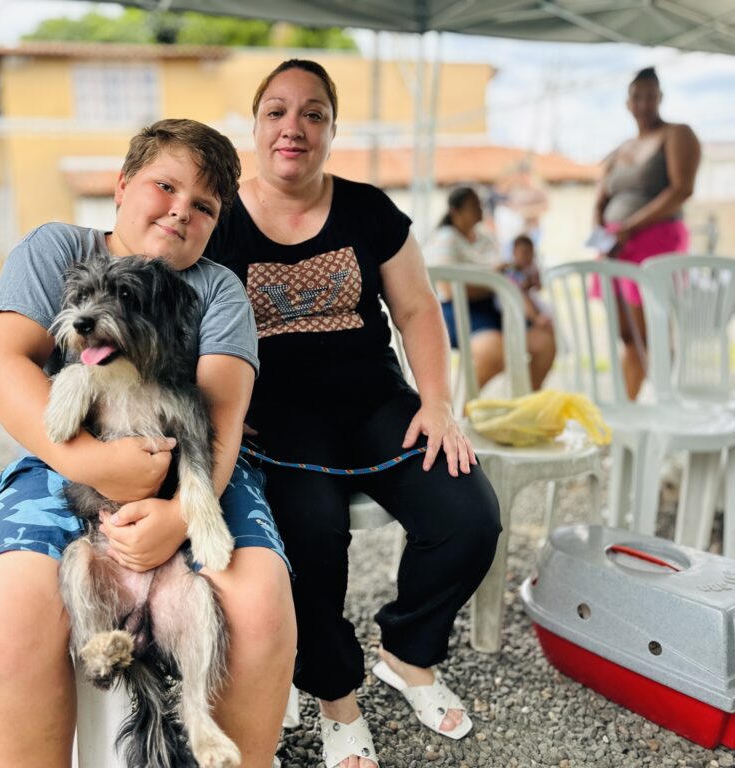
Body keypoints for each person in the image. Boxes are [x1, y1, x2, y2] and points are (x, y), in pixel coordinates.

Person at [0, 119, 296, 768]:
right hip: (59, 463)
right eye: (164, 185)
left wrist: (179, 516)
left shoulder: (216, 289)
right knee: (10, 601)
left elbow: (220, 414)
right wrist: (91, 461)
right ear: (121, 185)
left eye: (202, 206)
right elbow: (1, 363)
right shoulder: (58, 248)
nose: (180, 210)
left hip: (197, 471)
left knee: (258, 600)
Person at [204, 59, 501, 768]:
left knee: (469, 519)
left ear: (333, 129)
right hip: (274, 419)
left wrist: (437, 403)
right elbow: (187, 325)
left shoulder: (369, 210)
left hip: (376, 403)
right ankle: (335, 694)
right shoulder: (219, 219)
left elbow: (418, 311)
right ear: (254, 126)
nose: (293, 127)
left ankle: (407, 654)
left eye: (313, 113)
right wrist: (215, 412)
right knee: (310, 539)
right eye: (276, 111)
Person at [593, 66, 701, 400]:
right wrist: (601, 230)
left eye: (650, 95)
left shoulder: (677, 133)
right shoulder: (621, 149)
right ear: (629, 102)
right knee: (628, 336)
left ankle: (666, 402)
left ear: (660, 98)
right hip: (614, 245)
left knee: (653, 331)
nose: (643, 103)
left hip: (654, 241)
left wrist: (631, 226)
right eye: (637, 96)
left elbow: (682, 188)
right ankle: (629, 407)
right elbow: (601, 197)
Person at [425, 186, 556, 391]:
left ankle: (525, 404)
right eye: (474, 205)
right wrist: (493, 283)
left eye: (481, 204)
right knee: (494, 353)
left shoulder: (485, 237)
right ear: (455, 211)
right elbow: (448, 288)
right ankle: (460, 409)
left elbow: (503, 274)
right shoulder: (445, 238)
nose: (480, 209)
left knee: (545, 340)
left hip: (495, 306)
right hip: (459, 310)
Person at [505, 234, 553, 329]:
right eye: (524, 253)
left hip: (529, 299)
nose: (528, 257)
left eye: (531, 253)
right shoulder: (511, 269)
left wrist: (536, 280)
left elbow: (539, 288)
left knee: (540, 302)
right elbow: (518, 287)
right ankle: (536, 319)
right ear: (514, 253)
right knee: (523, 296)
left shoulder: (532, 269)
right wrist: (527, 283)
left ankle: (542, 319)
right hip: (513, 301)